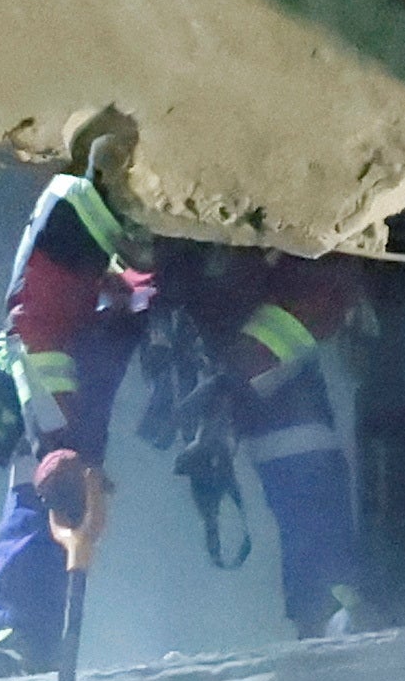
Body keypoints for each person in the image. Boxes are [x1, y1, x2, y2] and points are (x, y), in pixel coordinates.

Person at [0, 116, 151, 673]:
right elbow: (40, 330)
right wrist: (57, 445)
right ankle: (20, 635)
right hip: (82, 330)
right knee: (43, 465)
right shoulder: (71, 223)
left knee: (291, 427)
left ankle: (21, 635)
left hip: (152, 312)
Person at [156, 245, 377, 639]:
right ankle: (329, 607)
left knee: (305, 463)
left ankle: (328, 608)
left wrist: (232, 385)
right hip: (250, 366)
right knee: (307, 466)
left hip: (262, 364)